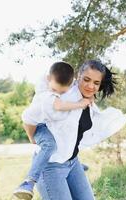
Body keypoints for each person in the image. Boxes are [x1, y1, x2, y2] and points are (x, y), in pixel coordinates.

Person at [35, 60, 126, 200]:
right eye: (86, 79)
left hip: (72, 162)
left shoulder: (87, 102)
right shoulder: (62, 93)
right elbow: (43, 86)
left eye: (96, 83)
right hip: (50, 165)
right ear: (78, 76)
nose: (90, 86)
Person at [13, 62, 93, 200]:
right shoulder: (47, 96)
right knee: (50, 145)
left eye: (62, 92)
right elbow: (31, 117)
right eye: (56, 90)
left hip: (70, 160)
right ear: (49, 79)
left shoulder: (66, 86)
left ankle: (69, 161)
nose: (58, 94)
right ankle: (28, 182)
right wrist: (32, 137)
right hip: (39, 128)